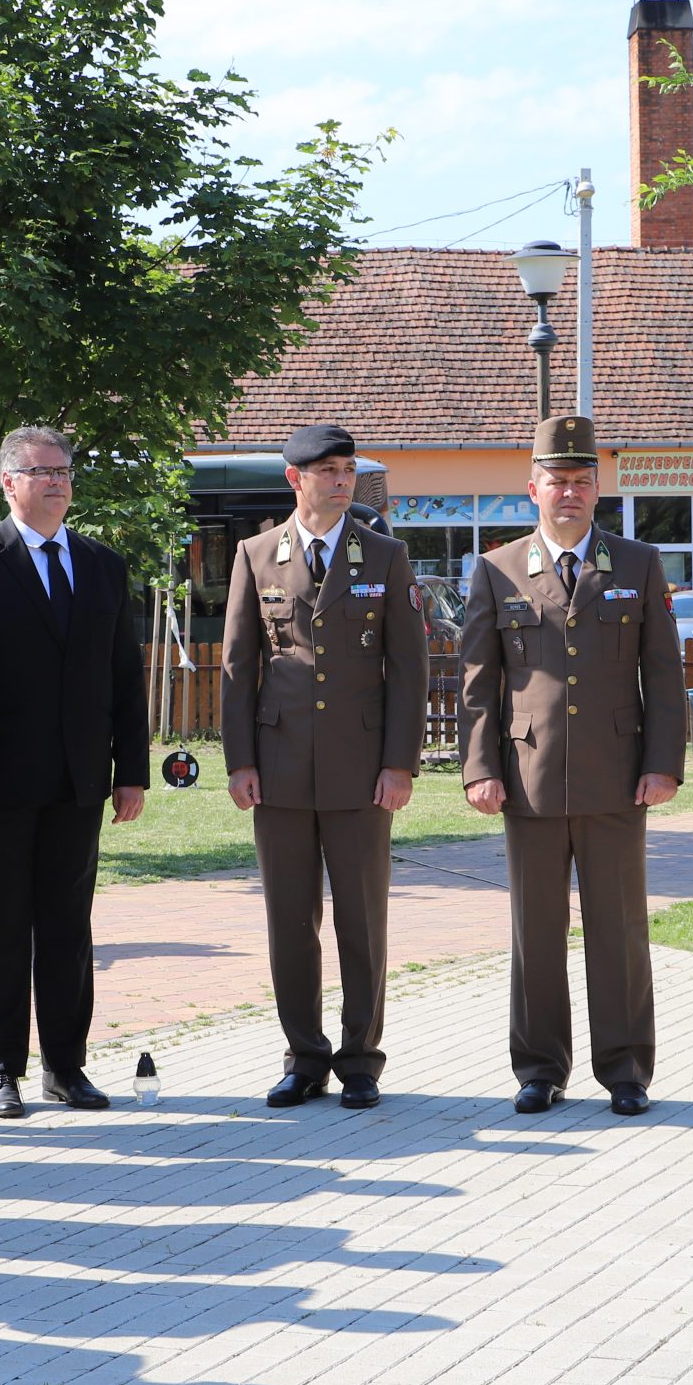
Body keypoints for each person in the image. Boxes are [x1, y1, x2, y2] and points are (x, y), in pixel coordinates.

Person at [458, 414, 685, 1117]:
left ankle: (625, 1069)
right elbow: (477, 681)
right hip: (526, 775)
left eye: (582, 482)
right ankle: (538, 1068)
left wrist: (662, 764)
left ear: (598, 490)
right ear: (533, 488)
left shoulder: (638, 563)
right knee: (536, 929)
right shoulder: (497, 570)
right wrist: (478, 768)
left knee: (618, 929)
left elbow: (664, 675)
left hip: (618, 775)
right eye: (557, 482)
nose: (569, 494)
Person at [0, 425, 150, 1118]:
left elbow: (123, 677)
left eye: (63, 470)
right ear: (8, 482)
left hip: (78, 782)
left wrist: (131, 771)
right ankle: (0, 1071)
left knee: (66, 927)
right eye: (40, 470)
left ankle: (66, 1066)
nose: (56, 481)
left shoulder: (103, 565)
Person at [220, 424, 430, 1110]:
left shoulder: (385, 555)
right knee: (289, 917)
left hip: (361, 767)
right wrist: (240, 761)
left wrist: (400, 762)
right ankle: (304, 1056)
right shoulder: (256, 555)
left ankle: (361, 1058)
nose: (341, 481)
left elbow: (409, 670)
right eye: (327, 471)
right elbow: (236, 668)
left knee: (362, 919)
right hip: (278, 767)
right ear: (295, 479)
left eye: (346, 470)